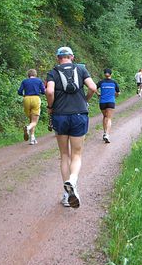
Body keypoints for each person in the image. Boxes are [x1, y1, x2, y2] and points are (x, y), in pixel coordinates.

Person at [45, 47, 97, 208]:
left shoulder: (53, 72)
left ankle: (67, 196)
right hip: (79, 115)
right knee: (77, 154)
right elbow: (93, 88)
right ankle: (73, 180)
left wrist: (50, 106)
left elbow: (50, 91)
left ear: (58, 58)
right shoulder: (81, 69)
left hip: (60, 115)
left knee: (64, 155)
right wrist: (85, 100)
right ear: (72, 57)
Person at [18, 69, 46, 145]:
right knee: (34, 121)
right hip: (36, 99)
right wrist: (39, 91)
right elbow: (44, 91)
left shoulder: (24, 81)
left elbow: (19, 92)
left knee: (31, 119)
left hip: (26, 99)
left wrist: (24, 95)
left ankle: (32, 139)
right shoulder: (39, 81)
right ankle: (27, 128)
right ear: (35, 74)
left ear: (28, 75)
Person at [97, 68, 120, 143]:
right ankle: (107, 134)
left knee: (105, 116)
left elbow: (93, 88)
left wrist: (98, 94)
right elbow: (118, 92)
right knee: (109, 118)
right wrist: (115, 96)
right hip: (111, 102)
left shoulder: (101, 82)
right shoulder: (114, 82)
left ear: (104, 74)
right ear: (111, 74)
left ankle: (104, 133)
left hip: (102, 102)